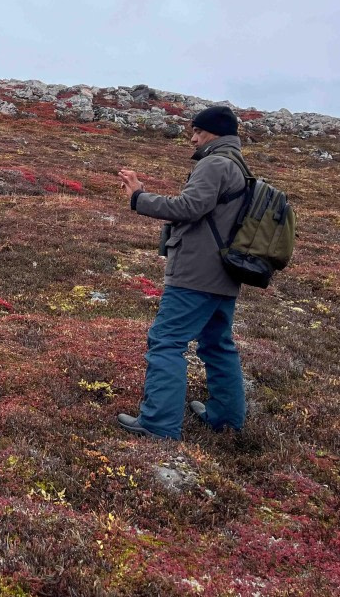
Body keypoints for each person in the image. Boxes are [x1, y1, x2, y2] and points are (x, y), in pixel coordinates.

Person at [115, 106, 249, 440]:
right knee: (217, 344)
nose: (193, 138)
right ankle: (226, 419)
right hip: (224, 274)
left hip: (196, 273)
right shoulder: (237, 166)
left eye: (197, 131)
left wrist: (138, 198)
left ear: (213, 133)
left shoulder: (214, 163)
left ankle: (158, 424)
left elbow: (190, 208)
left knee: (166, 341)